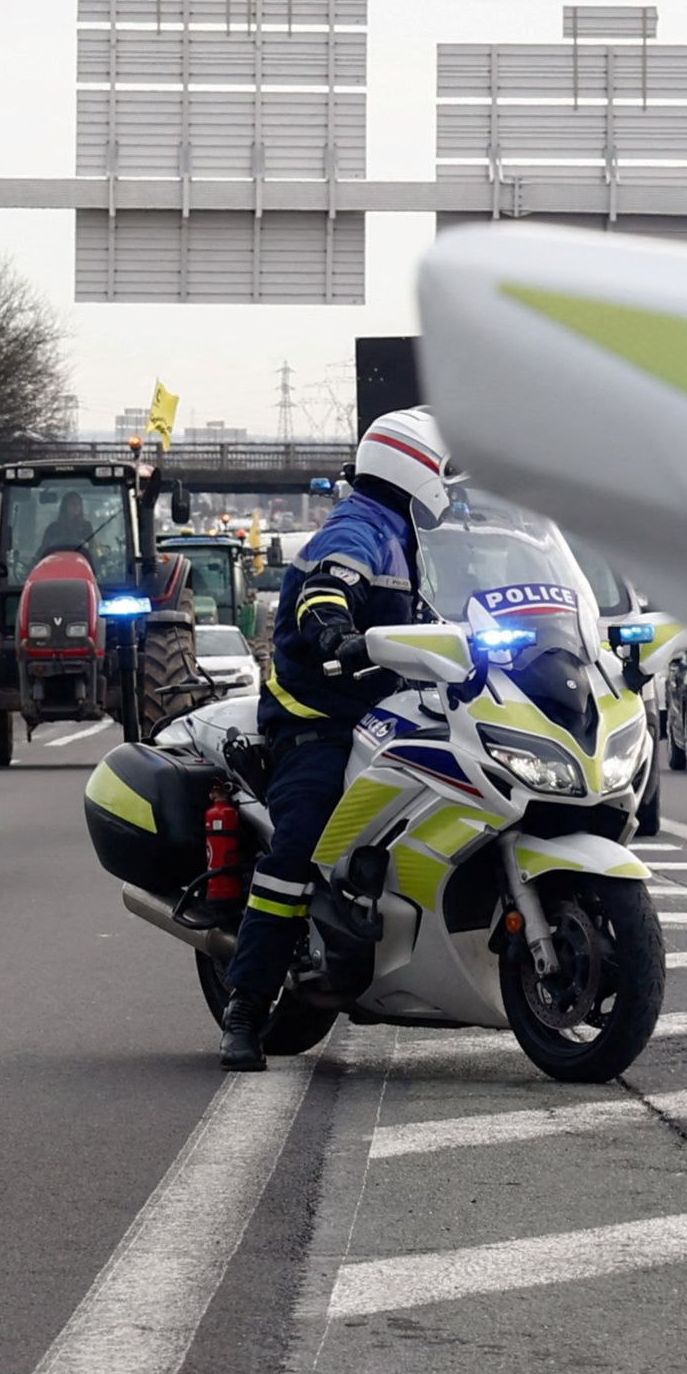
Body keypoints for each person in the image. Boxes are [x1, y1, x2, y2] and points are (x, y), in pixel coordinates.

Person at [214, 408, 453, 1069]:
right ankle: (245, 1006)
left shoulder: (409, 540)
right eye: (442, 470)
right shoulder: (358, 527)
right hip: (317, 717)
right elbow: (327, 587)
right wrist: (332, 631)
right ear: (416, 468)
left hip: (390, 713)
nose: (446, 486)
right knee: (300, 844)